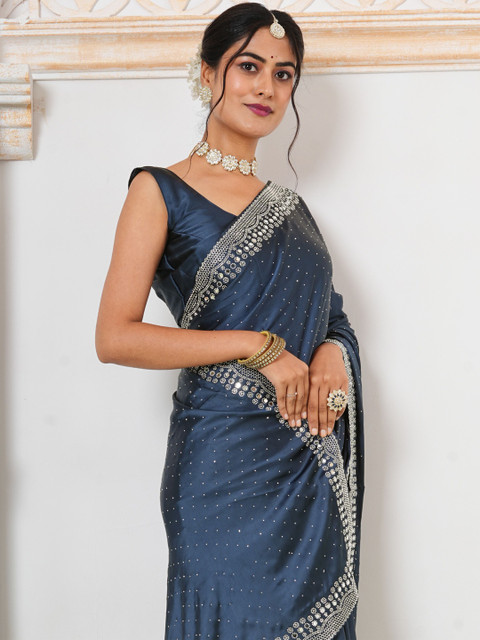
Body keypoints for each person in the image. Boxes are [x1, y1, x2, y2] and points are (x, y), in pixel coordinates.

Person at [95, 3, 365, 639]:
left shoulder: (292, 210)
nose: (266, 87)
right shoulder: (160, 190)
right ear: (208, 72)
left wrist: (334, 352)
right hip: (222, 467)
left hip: (305, 457)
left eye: (283, 74)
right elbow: (115, 336)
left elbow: (333, 320)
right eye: (249, 67)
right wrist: (257, 346)